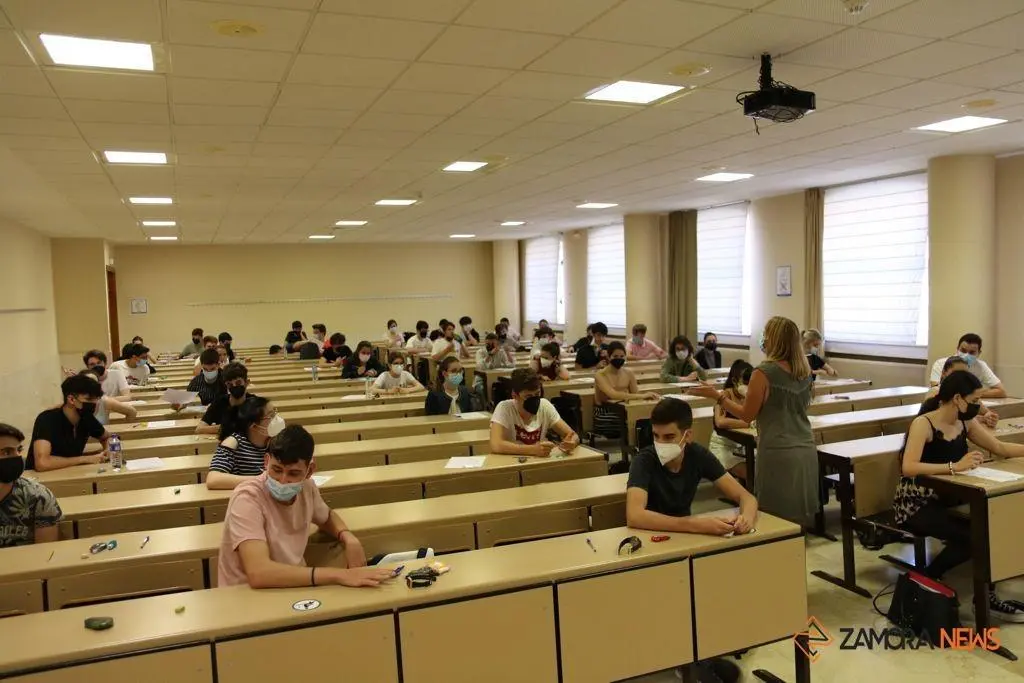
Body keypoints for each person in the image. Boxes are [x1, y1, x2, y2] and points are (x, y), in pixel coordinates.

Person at [894, 370, 1024, 621]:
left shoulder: (965, 422)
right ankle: (928, 576)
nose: (979, 407)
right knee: (973, 538)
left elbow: (999, 448)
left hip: (952, 495)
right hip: (916, 503)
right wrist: (955, 466)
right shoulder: (924, 423)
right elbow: (908, 467)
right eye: (974, 401)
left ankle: (985, 598)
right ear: (957, 398)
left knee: (993, 527)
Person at [217, 424, 394, 589]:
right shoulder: (247, 498)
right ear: (266, 462)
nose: (283, 481)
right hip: (247, 593)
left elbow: (326, 517)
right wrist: (338, 575)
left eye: (293, 473)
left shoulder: (307, 487)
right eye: (276, 470)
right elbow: (259, 573)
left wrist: (347, 536)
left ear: (309, 471)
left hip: (290, 583)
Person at [689, 316, 818, 528]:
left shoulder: (763, 373)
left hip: (778, 450)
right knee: (798, 518)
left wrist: (718, 396)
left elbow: (746, 415)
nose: (763, 339)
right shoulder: (804, 372)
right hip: (805, 448)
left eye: (766, 334)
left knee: (773, 518)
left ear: (773, 340)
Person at [26, 374, 110, 472]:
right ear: (71, 399)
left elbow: (106, 437)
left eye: (97, 399)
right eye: (89, 399)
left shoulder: (86, 418)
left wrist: (107, 450)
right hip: (40, 480)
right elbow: (42, 463)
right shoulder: (47, 419)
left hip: (71, 473)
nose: (95, 403)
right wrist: (85, 459)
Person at [489, 369, 579, 456]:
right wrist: (532, 450)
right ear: (514, 395)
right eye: (528, 396)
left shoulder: (544, 406)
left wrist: (572, 442)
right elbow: (496, 445)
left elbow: (572, 435)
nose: (534, 400)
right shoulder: (504, 407)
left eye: (537, 394)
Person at [0, 423, 62, 547]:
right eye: (6, 452)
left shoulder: (38, 497)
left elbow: (45, 557)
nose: (18, 457)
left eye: (19, 450)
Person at [207, 396, 283, 490]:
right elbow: (213, 480)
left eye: (275, 412)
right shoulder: (234, 443)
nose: (276, 418)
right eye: (271, 416)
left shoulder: (278, 441)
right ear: (254, 426)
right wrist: (261, 480)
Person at [593, 342, 660, 437]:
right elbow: (613, 395)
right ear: (608, 356)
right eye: (615, 356)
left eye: (622, 356)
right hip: (604, 413)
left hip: (623, 409)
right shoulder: (600, 375)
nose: (619, 359)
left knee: (645, 419)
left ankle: (640, 445)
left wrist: (644, 397)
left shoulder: (629, 373)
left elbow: (635, 395)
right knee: (632, 423)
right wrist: (643, 395)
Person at [710, 360, 754, 479]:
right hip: (723, 447)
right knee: (751, 475)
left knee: (766, 470)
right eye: (745, 382)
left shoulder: (751, 397)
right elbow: (720, 422)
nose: (748, 386)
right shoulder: (724, 395)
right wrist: (747, 424)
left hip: (743, 446)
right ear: (734, 381)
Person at [928, 357, 999, 428]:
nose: (961, 378)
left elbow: (986, 412)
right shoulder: (935, 392)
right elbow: (946, 420)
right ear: (944, 373)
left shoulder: (967, 394)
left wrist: (990, 417)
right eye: (956, 373)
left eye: (965, 374)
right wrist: (981, 419)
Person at [929, 333, 1006, 398]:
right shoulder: (940, 363)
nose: (966, 355)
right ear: (957, 348)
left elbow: (1001, 391)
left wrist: (972, 395)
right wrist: (972, 393)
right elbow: (935, 389)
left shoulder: (981, 366)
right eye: (963, 350)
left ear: (979, 353)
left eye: (971, 352)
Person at [198, 362, 252, 435]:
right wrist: (223, 428)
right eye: (229, 384)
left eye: (238, 383)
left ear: (246, 382)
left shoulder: (255, 403)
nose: (234, 386)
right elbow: (199, 429)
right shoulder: (219, 402)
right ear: (226, 385)